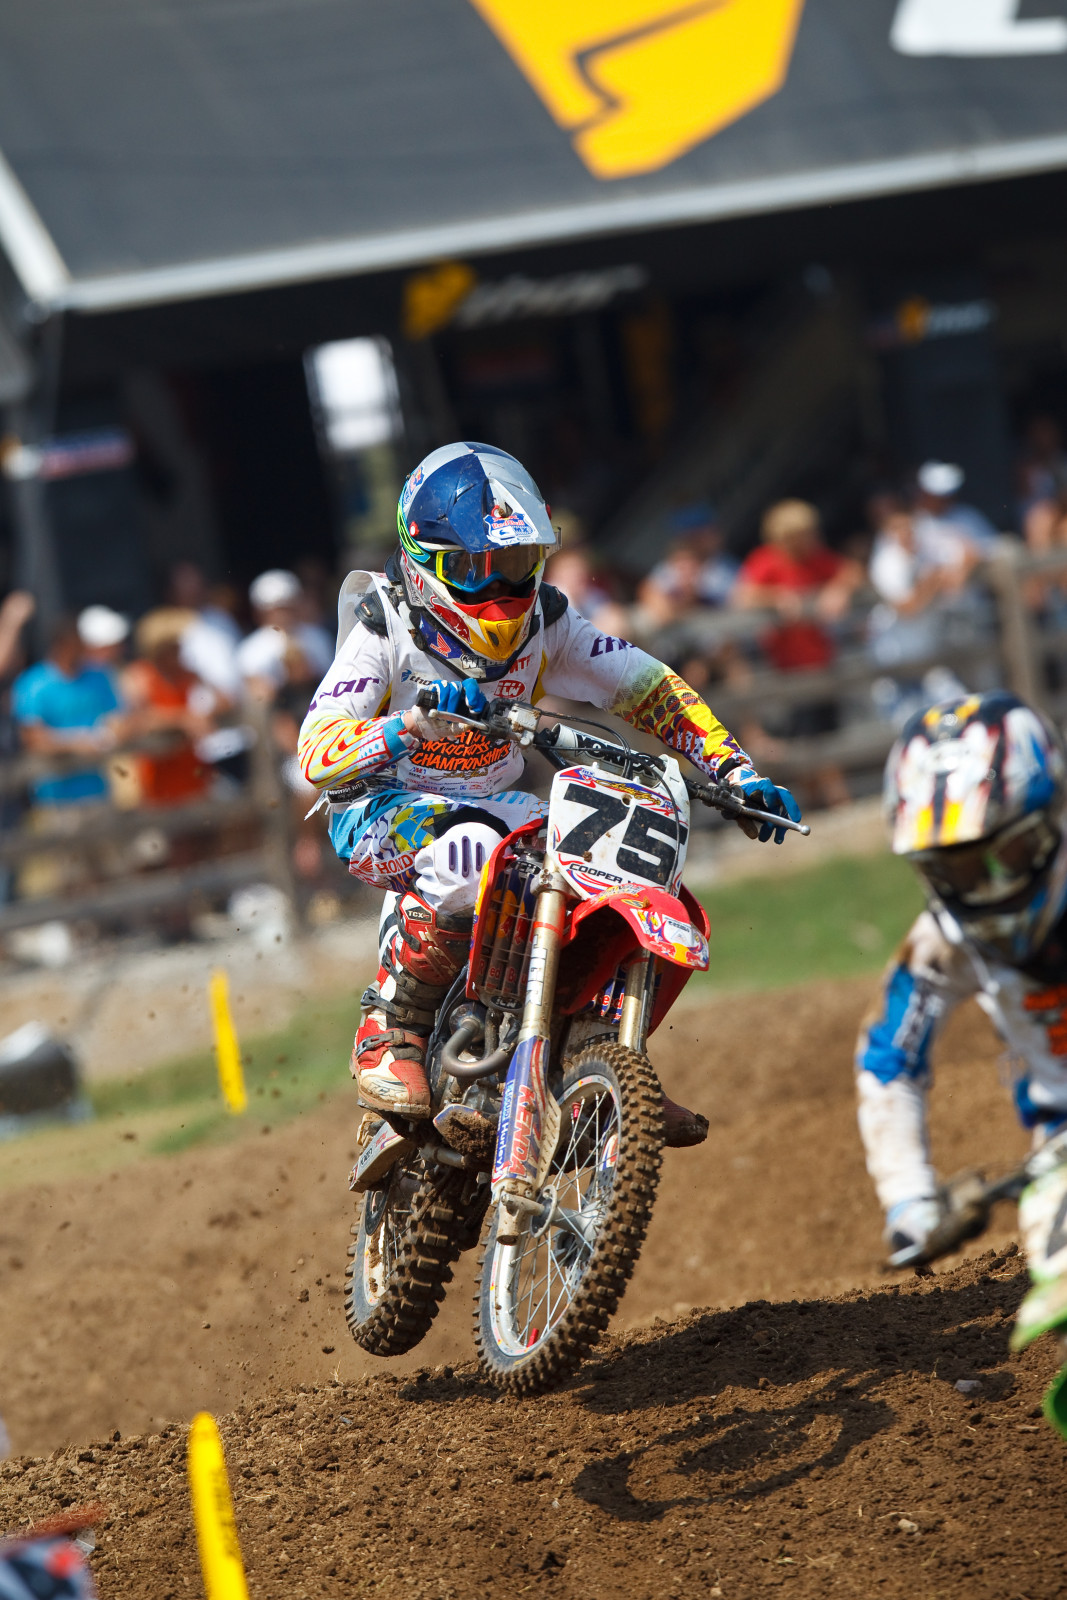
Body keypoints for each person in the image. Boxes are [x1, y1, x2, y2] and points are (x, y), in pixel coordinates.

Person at [297, 441, 800, 1145]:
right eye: (477, 568)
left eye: (514, 565)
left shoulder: (547, 621)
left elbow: (648, 688)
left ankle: (594, 1058)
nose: (501, 590)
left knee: (634, 870)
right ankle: (389, 1029)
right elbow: (316, 751)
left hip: (495, 801)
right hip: (382, 808)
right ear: (426, 562)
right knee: (471, 849)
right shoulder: (387, 625)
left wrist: (735, 771)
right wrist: (406, 726)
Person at [855, 691, 1067, 1355]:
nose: (985, 891)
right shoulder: (943, 938)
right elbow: (888, 1056)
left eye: (1001, 856)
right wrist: (910, 1201)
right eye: (957, 869)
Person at [733, 498, 864, 808]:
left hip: (820, 660)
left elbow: (851, 571)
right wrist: (776, 598)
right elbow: (743, 596)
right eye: (802, 533)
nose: (810, 539)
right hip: (786, 666)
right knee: (803, 738)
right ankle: (833, 801)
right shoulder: (767, 561)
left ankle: (825, 802)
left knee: (825, 732)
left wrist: (839, 590)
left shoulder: (816, 558)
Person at [121, 608, 218, 807]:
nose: (180, 649)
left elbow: (224, 700)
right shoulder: (139, 676)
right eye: (174, 646)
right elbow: (137, 719)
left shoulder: (187, 675)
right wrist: (182, 719)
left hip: (193, 773)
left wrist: (208, 712)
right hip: (157, 780)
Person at [237, 569, 332, 704]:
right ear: (260, 612)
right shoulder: (250, 649)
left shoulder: (318, 637)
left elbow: (330, 680)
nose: (283, 614)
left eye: (287, 607)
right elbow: (257, 696)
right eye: (276, 608)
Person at [913, 460, 999, 555]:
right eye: (936, 496)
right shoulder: (913, 521)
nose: (941, 500)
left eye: (945, 496)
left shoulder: (968, 516)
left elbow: (992, 547)